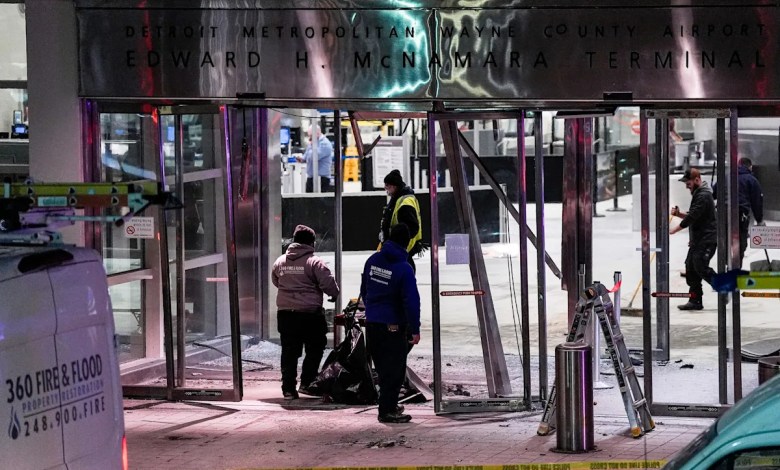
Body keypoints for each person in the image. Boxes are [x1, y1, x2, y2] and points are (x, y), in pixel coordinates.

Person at [360, 223, 421, 423]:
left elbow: (365, 291)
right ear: (407, 242)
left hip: (372, 324)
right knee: (394, 371)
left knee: (383, 369)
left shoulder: (373, 260)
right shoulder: (404, 268)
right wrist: (415, 328)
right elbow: (411, 301)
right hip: (392, 326)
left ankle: (389, 405)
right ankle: (386, 411)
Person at [272, 224, 339, 400]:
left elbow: (276, 280)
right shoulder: (314, 262)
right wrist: (334, 294)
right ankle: (307, 383)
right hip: (309, 313)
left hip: (286, 314)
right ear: (312, 243)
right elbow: (327, 283)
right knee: (315, 348)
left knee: (289, 351)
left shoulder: (280, 261)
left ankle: (288, 389)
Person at [670, 168, 718, 310]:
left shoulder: (703, 195)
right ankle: (695, 300)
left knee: (700, 266)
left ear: (697, 180)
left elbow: (693, 217)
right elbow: (695, 215)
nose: (686, 186)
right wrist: (679, 214)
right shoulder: (699, 194)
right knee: (691, 268)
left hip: (707, 239)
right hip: (698, 240)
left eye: (688, 183)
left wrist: (675, 229)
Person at [712, 157, 764, 268]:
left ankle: (725, 264)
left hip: (723, 212)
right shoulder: (751, 179)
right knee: (740, 240)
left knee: (724, 239)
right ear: (750, 166)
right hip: (741, 213)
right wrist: (759, 220)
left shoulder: (725, 176)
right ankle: (736, 266)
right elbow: (757, 201)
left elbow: (714, 193)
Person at [380, 169, 424, 271]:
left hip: (401, 247)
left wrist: (398, 240)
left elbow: (412, 227)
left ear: (395, 186)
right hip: (397, 246)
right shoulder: (397, 198)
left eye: (388, 185)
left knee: (404, 272)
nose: (385, 188)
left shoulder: (405, 202)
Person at [300, 125, 333, 193]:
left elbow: (314, 157)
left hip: (322, 178)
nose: (309, 138)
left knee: (319, 202)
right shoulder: (313, 143)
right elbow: (306, 156)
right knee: (308, 201)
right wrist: (301, 159)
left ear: (317, 133)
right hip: (311, 177)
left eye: (311, 136)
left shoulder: (325, 144)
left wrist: (311, 146)